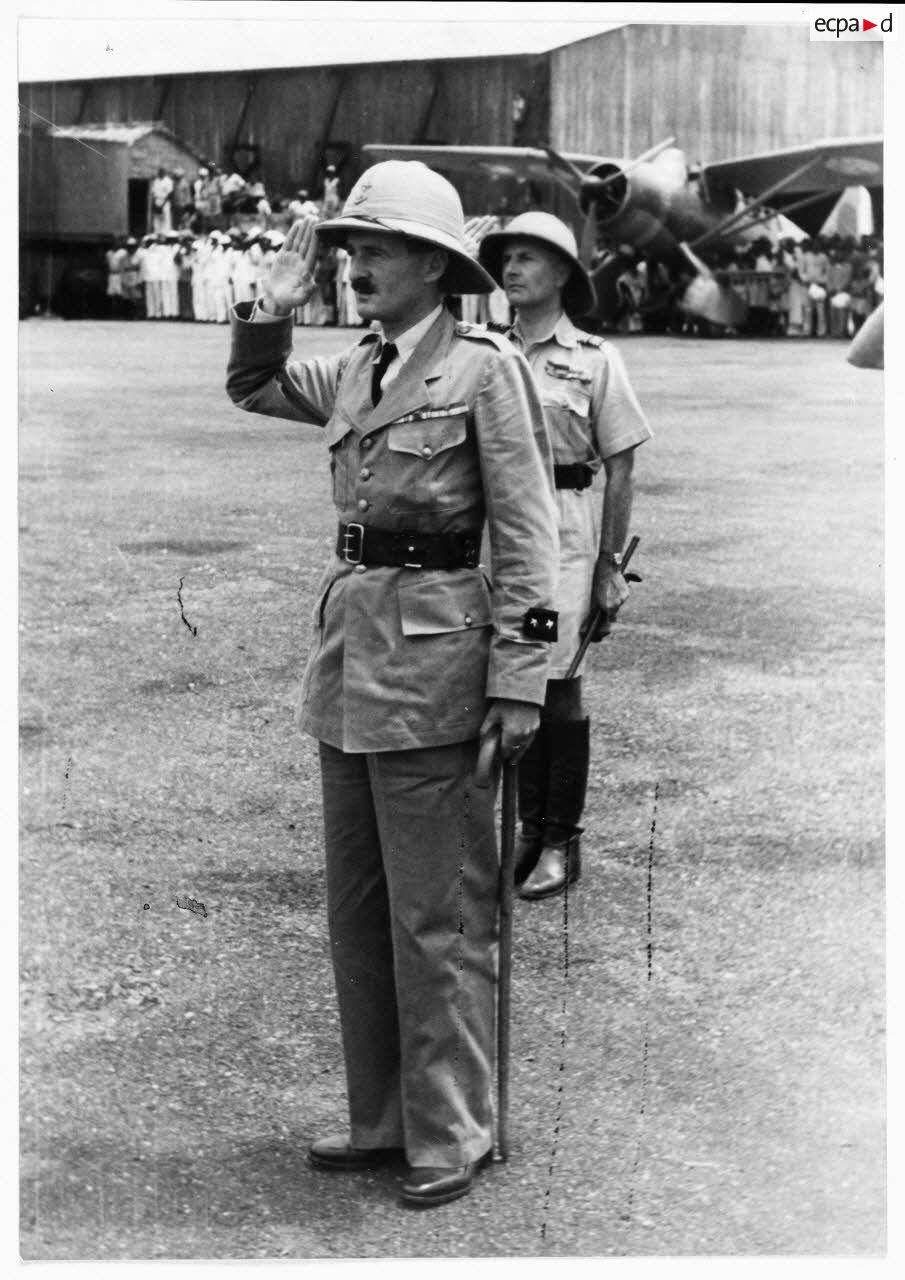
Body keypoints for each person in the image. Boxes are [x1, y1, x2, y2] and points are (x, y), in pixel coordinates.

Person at [226, 159, 558, 1207]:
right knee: (360, 911)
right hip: (352, 663)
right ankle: (382, 1117)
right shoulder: (360, 365)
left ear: (430, 263)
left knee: (440, 915)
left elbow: (527, 529)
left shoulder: (482, 369)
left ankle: (451, 1127)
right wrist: (262, 312)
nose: (354, 266)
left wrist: (520, 676)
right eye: (349, 250)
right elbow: (254, 384)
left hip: (440, 664)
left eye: (373, 249)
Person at [477, 211, 652, 900]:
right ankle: (526, 828)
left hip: (564, 537)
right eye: (506, 258)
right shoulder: (484, 352)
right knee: (502, 676)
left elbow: (622, 467)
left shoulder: (592, 360)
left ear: (562, 275)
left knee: (553, 683)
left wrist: (609, 565)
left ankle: (558, 841)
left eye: (528, 257)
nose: (512, 268)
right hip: (496, 531)